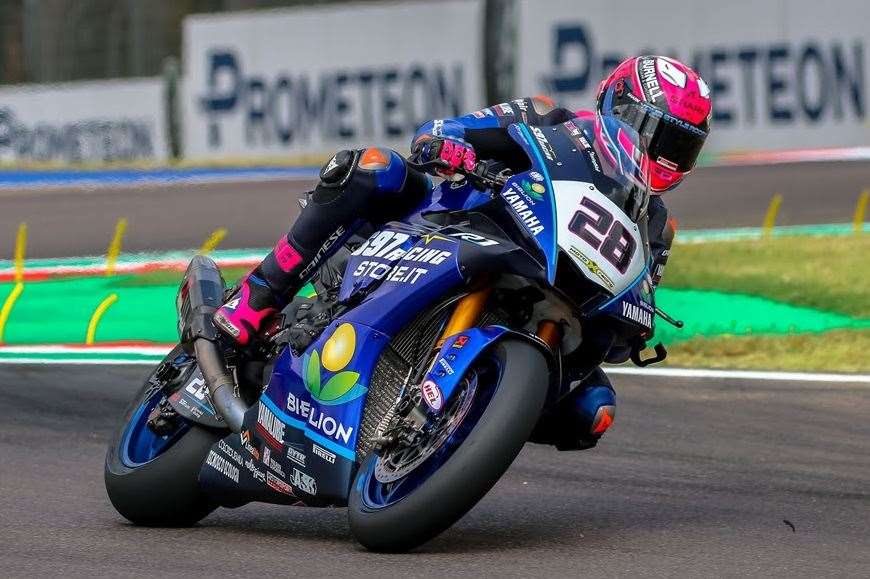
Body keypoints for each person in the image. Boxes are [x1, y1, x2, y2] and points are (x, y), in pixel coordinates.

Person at [213, 55, 712, 450]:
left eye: (679, 146)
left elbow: (628, 314)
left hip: (541, 289)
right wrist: (451, 147)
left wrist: (632, 323)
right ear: (616, 106)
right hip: (450, 224)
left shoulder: (656, 225)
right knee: (374, 167)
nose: (659, 154)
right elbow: (442, 130)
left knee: (594, 408)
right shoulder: (547, 119)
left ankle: (455, 431)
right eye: (654, 132)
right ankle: (256, 300)